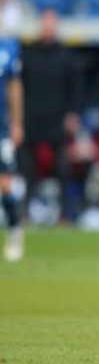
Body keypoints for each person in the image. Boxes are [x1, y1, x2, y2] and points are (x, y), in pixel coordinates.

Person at [0, 29, 24, 261]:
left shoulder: (7, 48)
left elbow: (14, 88)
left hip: (1, 128)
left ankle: (15, 233)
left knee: (5, 183)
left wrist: (16, 123)